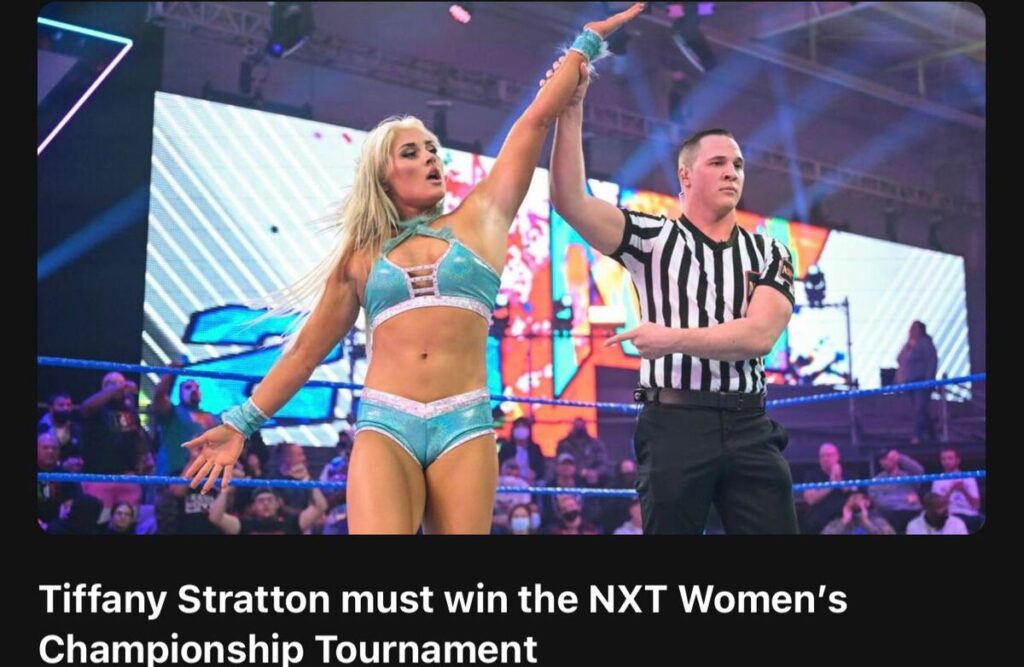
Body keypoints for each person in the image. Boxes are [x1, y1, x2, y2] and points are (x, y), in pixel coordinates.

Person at [180, 4, 646, 534]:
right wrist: (242, 422)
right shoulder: (361, 255)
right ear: (384, 173)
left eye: (432, 149)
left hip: (464, 422)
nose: (431, 158)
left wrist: (586, 42)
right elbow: (306, 351)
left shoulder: (480, 217)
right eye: (413, 152)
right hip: (387, 421)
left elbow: (533, 120)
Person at [546, 53, 798, 534]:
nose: (732, 172)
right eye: (718, 162)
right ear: (685, 176)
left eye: (738, 164)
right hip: (674, 423)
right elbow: (570, 201)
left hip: (749, 423)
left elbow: (760, 336)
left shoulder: (769, 251)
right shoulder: (652, 238)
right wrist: (571, 108)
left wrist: (671, 339)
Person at [895, 320, 938, 443]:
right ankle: (932, 436)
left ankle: (917, 435)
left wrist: (929, 380)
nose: (911, 331)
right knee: (921, 410)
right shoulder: (908, 345)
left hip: (922, 381)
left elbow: (932, 361)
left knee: (920, 409)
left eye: (914, 328)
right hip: (909, 382)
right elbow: (899, 359)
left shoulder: (925, 343)